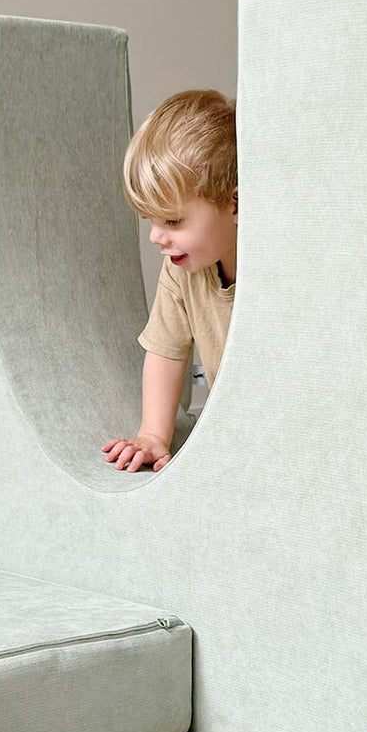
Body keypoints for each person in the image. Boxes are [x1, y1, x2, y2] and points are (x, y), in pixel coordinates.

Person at [102, 89, 237, 473]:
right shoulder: (181, 269)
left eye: (173, 221)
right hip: (231, 427)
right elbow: (166, 350)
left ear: (235, 204)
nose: (156, 237)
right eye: (152, 220)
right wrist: (153, 435)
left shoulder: (272, 270)